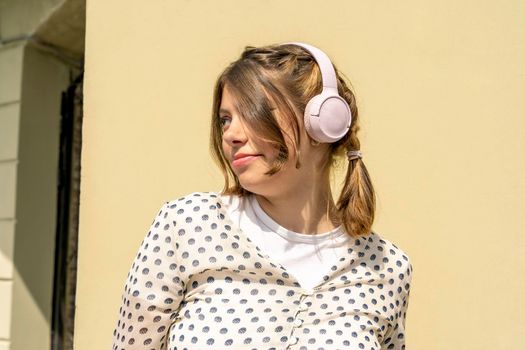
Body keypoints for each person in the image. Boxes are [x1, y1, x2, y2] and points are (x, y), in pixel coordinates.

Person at [111, 42, 413, 350]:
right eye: (225, 119)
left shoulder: (387, 268)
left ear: (323, 123)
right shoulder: (187, 226)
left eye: (251, 112)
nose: (230, 134)